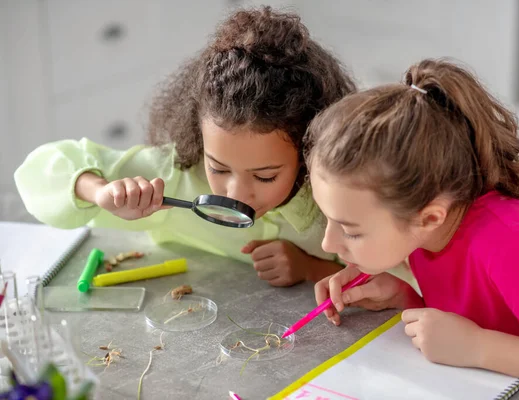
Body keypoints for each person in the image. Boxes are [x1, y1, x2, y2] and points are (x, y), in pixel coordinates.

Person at [306, 58, 519, 396]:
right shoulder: (430, 226)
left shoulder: (515, 245)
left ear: (430, 217)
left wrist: (479, 348)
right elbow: (484, 310)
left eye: (351, 229)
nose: (328, 243)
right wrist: (406, 299)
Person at [15, 6, 359, 287]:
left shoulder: (332, 203)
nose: (236, 193)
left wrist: (312, 269)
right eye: (219, 168)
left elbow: (395, 281)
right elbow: (36, 173)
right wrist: (99, 191)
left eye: (266, 176)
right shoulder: (173, 177)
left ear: (309, 151)